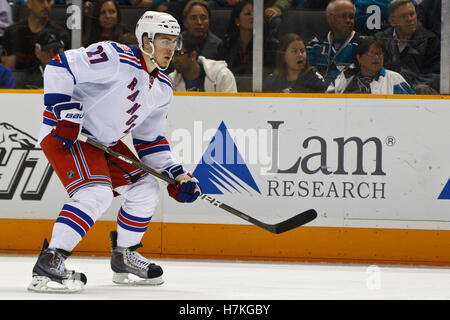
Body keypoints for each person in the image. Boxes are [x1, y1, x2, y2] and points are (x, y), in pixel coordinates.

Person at [28, 11, 201, 293]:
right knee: (96, 192)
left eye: (174, 41)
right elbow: (59, 66)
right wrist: (64, 111)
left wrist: (178, 175)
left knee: (146, 188)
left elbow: (150, 141)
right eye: (164, 40)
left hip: (103, 143)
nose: (171, 48)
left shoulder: (163, 88)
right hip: (69, 135)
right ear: (146, 40)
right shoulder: (113, 56)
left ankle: (124, 255)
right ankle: (50, 261)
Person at [375, 0, 440, 92]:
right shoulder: (380, 40)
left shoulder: (431, 40)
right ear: (392, 21)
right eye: (404, 16)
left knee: (422, 88)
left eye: (412, 14)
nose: (410, 19)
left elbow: (435, 76)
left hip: (417, 94)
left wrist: (405, 88)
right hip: (387, 91)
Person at [326, 36, 414, 94]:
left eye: (379, 54)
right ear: (359, 57)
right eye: (371, 54)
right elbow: (328, 101)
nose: (376, 58)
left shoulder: (394, 79)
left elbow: (411, 106)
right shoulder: (345, 77)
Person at [306, 0, 363, 85]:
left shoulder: (363, 45)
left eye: (351, 17)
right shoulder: (315, 45)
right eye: (343, 16)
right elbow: (307, 74)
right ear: (330, 18)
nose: (348, 20)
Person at [2, 0, 69, 71]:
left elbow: (63, 70)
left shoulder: (60, 35)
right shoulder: (13, 32)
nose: (46, 5)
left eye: (49, 1)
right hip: (19, 80)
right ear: (29, 3)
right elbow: (8, 70)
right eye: (41, 1)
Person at [169, 36, 237, 92]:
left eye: (178, 54)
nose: (173, 60)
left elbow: (230, 106)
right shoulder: (171, 81)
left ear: (193, 55)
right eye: (171, 55)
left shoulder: (222, 75)